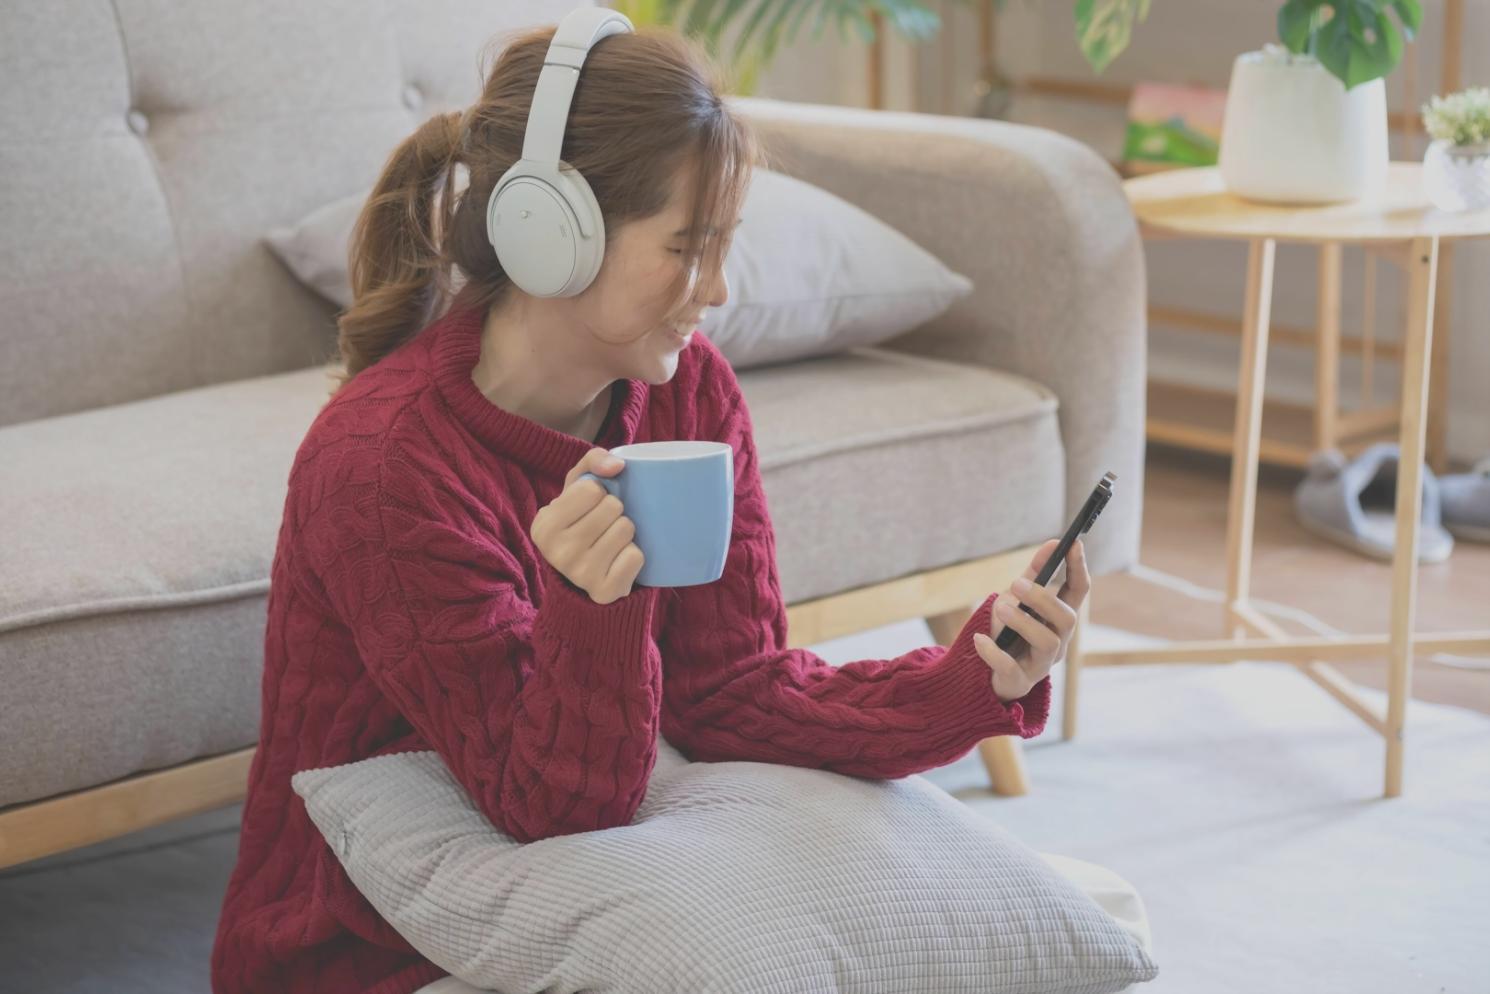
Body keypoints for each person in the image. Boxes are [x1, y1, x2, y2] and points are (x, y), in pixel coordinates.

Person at [210, 18, 1088, 994]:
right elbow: (551, 806)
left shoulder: (686, 391)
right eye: (684, 246)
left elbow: (734, 690)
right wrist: (592, 605)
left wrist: (968, 680)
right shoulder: (385, 463)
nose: (712, 289)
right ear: (551, 230)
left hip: (577, 843)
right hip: (370, 943)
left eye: (722, 247)